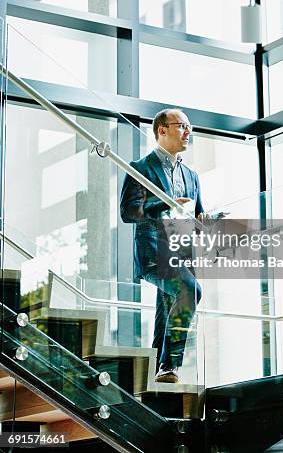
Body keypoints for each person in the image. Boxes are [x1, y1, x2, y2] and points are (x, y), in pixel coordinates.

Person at [120, 108, 203, 383]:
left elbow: (197, 217)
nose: (188, 132)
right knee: (189, 290)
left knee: (166, 312)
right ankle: (171, 365)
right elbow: (129, 212)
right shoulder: (140, 168)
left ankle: (157, 370)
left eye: (189, 127)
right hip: (154, 252)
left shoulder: (192, 176)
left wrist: (208, 220)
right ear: (162, 130)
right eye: (182, 126)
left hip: (182, 254)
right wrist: (164, 204)